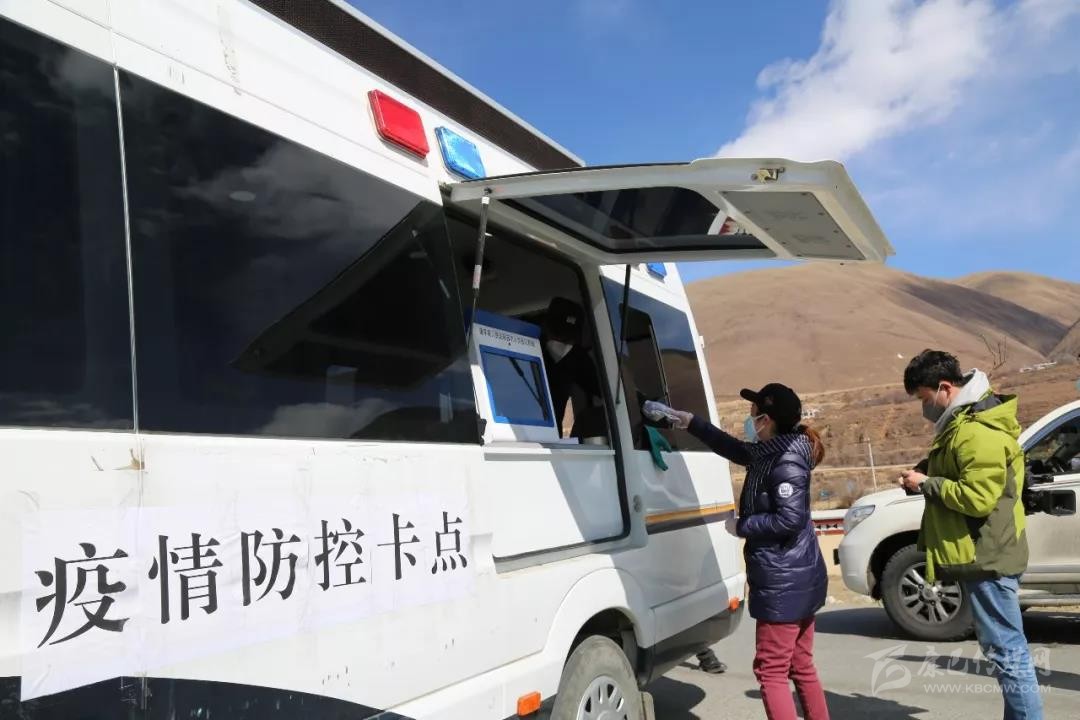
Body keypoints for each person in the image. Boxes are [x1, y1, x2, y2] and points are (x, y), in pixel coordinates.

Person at [665, 383, 829, 720]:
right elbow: (734, 448)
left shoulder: (784, 460)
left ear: (766, 420)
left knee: (771, 671)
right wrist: (691, 422)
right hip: (798, 575)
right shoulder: (770, 451)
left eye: (753, 414)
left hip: (783, 581)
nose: (749, 420)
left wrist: (741, 526)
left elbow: (789, 520)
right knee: (800, 664)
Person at [899, 350, 1042, 719]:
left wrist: (927, 484)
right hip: (984, 552)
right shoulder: (963, 423)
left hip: (989, 555)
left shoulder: (976, 430)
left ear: (945, 388)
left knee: (1008, 654)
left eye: (924, 397)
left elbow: (978, 498)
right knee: (1005, 651)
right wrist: (927, 471)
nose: (923, 407)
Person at [540, 297, 603, 438]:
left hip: (552, 437)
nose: (561, 345)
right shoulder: (528, 347)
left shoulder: (575, 357)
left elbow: (605, 389)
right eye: (557, 335)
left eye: (568, 339)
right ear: (546, 328)